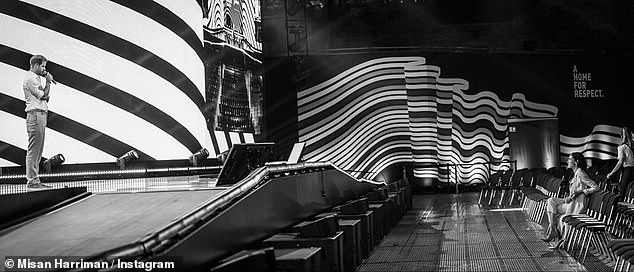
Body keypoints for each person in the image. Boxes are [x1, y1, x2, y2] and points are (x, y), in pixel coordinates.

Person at [542, 152, 598, 246]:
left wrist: (581, 191)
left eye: (569, 159)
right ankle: (552, 229)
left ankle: (555, 232)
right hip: (571, 202)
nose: (567, 161)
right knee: (551, 201)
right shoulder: (575, 173)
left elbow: (596, 187)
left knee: (553, 210)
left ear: (576, 161)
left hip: (577, 205)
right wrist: (569, 197)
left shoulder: (580, 173)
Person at [23, 54, 54, 190]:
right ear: (35, 65)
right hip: (35, 115)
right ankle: (32, 181)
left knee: (38, 150)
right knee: (34, 151)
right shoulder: (31, 79)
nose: (44, 69)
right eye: (42, 66)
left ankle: (35, 180)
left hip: (39, 115)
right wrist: (48, 82)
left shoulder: (35, 78)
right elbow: (44, 96)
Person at [607, 127, 634, 196]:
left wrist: (611, 173)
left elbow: (620, 163)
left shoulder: (621, 147)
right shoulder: (632, 146)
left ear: (621, 136)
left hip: (628, 171)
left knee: (622, 192)